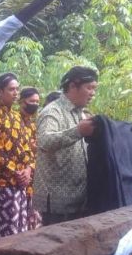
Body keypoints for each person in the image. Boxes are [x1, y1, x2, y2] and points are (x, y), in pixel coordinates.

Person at [32, 67, 97, 225]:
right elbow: (45, 142)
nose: (92, 93)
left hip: (78, 199)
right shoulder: (52, 112)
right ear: (73, 86)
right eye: (89, 88)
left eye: (95, 89)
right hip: (56, 203)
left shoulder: (80, 113)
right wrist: (78, 131)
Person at [0, 72, 34, 237]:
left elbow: (27, 148)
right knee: (4, 234)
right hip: (2, 184)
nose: (16, 93)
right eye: (11, 89)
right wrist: (15, 172)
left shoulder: (17, 117)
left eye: (17, 89)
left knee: (20, 232)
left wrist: (27, 171)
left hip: (21, 184)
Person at [18, 87, 41, 230]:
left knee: (33, 224)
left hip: (33, 180)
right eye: (32, 101)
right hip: (19, 177)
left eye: (38, 102)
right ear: (22, 101)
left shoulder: (33, 124)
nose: (35, 104)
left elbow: (36, 152)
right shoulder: (14, 120)